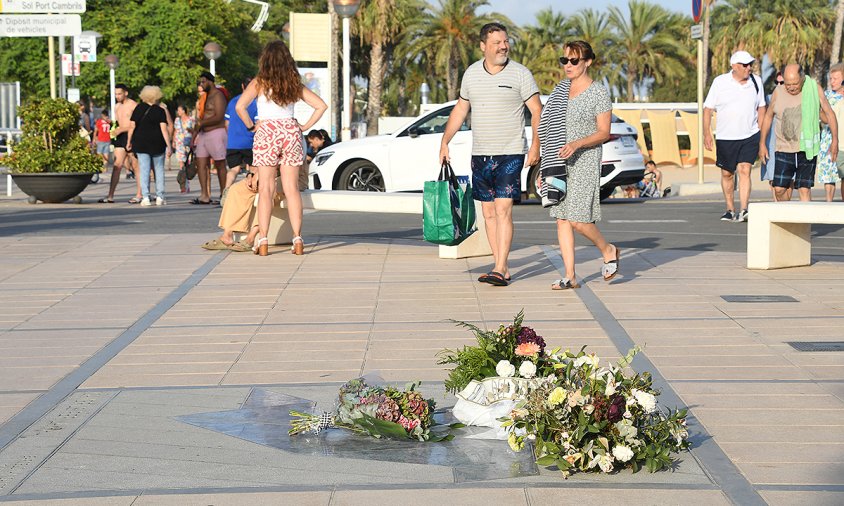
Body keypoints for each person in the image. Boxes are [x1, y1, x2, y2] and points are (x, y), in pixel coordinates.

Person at [439, 22, 542, 287]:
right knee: (487, 213)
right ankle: (501, 267)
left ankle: (499, 266)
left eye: (506, 41)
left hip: (510, 153)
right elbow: (461, 110)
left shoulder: (520, 74)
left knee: (503, 209)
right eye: (497, 43)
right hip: (481, 154)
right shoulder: (471, 74)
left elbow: (537, 111)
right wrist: (445, 141)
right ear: (484, 46)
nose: (504, 46)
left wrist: (535, 146)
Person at [538, 40, 619, 290]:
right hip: (559, 160)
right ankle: (570, 276)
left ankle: (608, 249)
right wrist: (545, 166)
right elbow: (549, 128)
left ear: (588, 62)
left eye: (574, 60)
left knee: (578, 220)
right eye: (565, 60)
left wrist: (577, 143)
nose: (568, 65)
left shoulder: (598, 92)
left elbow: (604, 131)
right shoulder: (560, 89)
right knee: (562, 218)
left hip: (585, 159)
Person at [236, 40, 327, 256]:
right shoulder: (293, 83)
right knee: (291, 189)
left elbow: (240, 106)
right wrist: (304, 126)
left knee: (266, 189)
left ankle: (264, 239)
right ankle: (297, 239)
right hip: (290, 132)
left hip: (266, 132)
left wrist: (251, 126)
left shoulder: (259, 83)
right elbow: (321, 105)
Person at [759, 64, 839, 202]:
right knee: (779, 189)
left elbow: (830, 114)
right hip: (783, 148)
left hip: (806, 148)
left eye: (795, 83)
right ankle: (787, 220)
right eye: (787, 84)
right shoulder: (778, 91)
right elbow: (767, 116)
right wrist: (762, 143)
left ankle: (805, 223)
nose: (791, 87)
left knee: (804, 189)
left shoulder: (813, 89)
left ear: (802, 78)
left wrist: (835, 141)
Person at [703, 51, 766, 222]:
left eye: (750, 64)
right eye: (744, 65)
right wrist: (707, 133)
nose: (748, 68)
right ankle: (730, 209)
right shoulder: (720, 82)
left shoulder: (756, 81)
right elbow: (707, 109)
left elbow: (761, 107)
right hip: (725, 137)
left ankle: (744, 209)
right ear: (734, 66)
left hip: (750, 134)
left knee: (745, 170)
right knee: (727, 174)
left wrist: (761, 133)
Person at [200, 174, 274, 252]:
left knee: (266, 194)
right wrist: (250, 175)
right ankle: (227, 236)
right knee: (235, 189)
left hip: (277, 177)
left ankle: (250, 238)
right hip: (260, 174)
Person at [127, 86, 171, 206]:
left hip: (141, 143)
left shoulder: (138, 108)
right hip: (158, 143)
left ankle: (145, 197)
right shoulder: (160, 111)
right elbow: (164, 129)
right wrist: (169, 145)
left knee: (144, 170)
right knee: (159, 170)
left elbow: (132, 126)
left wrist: (129, 141)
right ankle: (160, 197)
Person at [98, 84, 141, 203]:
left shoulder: (133, 105)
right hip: (120, 137)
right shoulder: (116, 106)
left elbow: (136, 124)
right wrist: (112, 126)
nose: (117, 96)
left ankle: (139, 194)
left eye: (119, 94)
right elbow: (117, 122)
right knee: (117, 165)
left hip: (131, 135)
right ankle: (110, 195)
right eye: (115, 94)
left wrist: (122, 129)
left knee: (135, 165)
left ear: (125, 93)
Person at [192, 71, 228, 205]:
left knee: (220, 164)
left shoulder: (218, 96)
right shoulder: (205, 97)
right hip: (203, 134)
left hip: (216, 132)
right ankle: (204, 195)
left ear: (210, 81)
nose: (201, 84)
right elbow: (202, 117)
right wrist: (194, 136)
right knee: (200, 163)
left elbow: (219, 116)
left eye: (203, 81)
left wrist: (203, 123)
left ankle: (223, 193)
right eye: (200, 82)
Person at [224, 77, 258, 192]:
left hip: (233, 142)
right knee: (254, 168)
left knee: (234, 169)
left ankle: (226, 191)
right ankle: (252, 192)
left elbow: (226, 123)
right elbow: (258, 124)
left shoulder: (233, 101)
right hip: (250, 142)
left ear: (242, 86)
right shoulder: (255, 103)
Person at [762, 72, 790, 200]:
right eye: (776, 83)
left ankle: (786, 206)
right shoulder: (768, 99)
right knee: (773, 177)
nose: (779, 85)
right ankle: (775, 204)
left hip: (789, 144)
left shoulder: (794, 98)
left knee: (789, 180)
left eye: (782, 82)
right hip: (772, 143)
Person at [818, 63, 844, 202]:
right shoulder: (827, 96)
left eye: (835, 78)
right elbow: (822, 116)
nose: (832, 82)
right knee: (829, 175)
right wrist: (831, 117)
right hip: (829, 139)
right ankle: (829, 203)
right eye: (830, 78)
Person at [173, 104, 194, 192]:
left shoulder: (191, 120)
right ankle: (183, 185)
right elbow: (175, 131)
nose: (178, 112)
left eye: (180, 110)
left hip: (188, 142)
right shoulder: (177, 120)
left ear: (184, 111)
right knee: (181, 163)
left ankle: (187, 182)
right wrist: (173, 141)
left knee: (188, 163)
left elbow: (194, 130)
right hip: (179, 142)